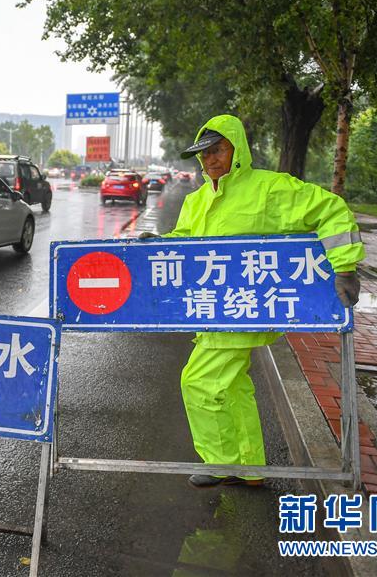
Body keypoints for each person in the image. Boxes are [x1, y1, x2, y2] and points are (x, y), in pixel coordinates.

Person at [139, 114, 364, 488]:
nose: (210, 159)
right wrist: (160, 245)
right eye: (204, 153)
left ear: (237, 149)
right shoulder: (197, 200)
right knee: (233, 387)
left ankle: (221, 463)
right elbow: (186, 243)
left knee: (199, 382)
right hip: (212, 309)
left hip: (242, 310)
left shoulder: (269, 189)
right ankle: (251, 468)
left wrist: (345, 266)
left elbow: (331, 209)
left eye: (218, 150)